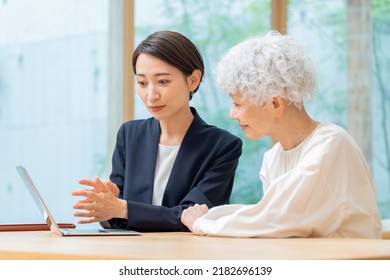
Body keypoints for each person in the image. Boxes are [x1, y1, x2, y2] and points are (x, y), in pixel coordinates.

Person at [181, 31, 382, 239]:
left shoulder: (330, 147)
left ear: (275, 103)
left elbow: (272, 221)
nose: (232, 114)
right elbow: (269, 219)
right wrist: (209, 219)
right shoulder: (273, 158)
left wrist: (203, 222)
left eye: (238, 104)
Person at [71, 30, 242, 232]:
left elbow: (190, 218)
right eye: (142, 83)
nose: (151, 95)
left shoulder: (222, 146)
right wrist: (108, 203)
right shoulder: (129, 135)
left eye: (162, 81)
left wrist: (121, 207)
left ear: (193, 80)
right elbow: (118, 219)